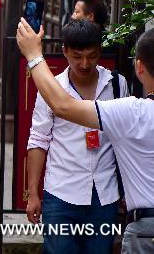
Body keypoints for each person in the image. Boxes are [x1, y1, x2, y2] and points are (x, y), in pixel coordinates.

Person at [17, 23, 154, 254]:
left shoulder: (117, 85)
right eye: (77, 56)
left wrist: (33, 54)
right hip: (61, 192)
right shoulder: (52, 90)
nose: (84, 64)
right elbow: (38, 140)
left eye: (91, 56)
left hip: (104, 195)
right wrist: (32, 193)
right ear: (65, 51)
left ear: (100, 51)